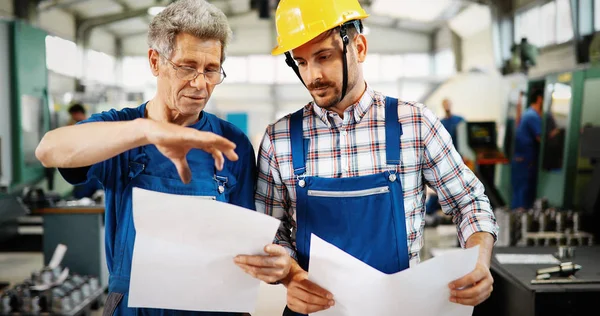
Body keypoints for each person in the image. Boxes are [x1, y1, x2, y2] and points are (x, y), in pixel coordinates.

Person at [233, 1, 498, 315]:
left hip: (399, 308)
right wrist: (291, 277)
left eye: (324, 57)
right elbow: (270, 233)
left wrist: (479, 260)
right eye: (301, 62)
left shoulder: (412, 123)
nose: (312, 75)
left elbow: (468, 200)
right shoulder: (279, 140)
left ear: (358, 47)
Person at [35, 0, 256, 315]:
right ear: (156, 61)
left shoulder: (232, 143)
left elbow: (244, 239)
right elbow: (49, 149)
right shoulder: (120, 128)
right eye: (187, 66)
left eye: (211, 70)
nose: (200, 84)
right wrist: (145, 131)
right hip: (136, 307)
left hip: (212, 306)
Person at [511, 88, 555, 210]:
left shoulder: (528, 114)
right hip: (526, 160)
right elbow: (541, 138)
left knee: (521, 190)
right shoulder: (532, 116)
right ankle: (521, 218)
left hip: (523, 159)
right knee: (524, 192)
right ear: (540, 99)